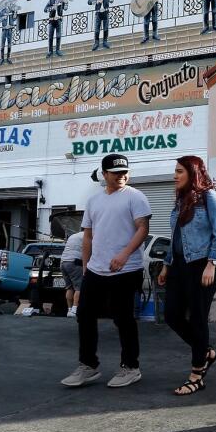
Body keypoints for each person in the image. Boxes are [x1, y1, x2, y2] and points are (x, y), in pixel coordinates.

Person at [61, 153, 152, 389]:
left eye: (125, 172)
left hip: (126, 268)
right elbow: (88, 236)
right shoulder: (94, 201)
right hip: (95, 269)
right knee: (84, 315)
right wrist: (85, 266)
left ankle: (130, 367)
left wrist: (124, 254)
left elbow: (143, 229)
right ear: (104, 175)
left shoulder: (135, 197)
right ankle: (88, 366)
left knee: (123, 318)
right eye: (116, 173)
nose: (122, 176)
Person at [157, 156, 216, 396]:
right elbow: (176, 237)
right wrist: (167, 265)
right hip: (179, 266)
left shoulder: (209, 197)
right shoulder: (180, 201)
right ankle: (206, 351)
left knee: (198, 318)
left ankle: (197, 374)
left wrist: (212, 263)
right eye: (174, 171)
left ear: (193, 172)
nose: (174, 175)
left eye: (179, 171)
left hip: (202, 266)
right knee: (172, 315)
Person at [61, 230, 85, 318]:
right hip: (74, 262)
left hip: (63, 262)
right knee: (79, 287)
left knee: (69, 287)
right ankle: (75, 310)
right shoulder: (87, 235)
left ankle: (69, 310)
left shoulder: (73, 236)